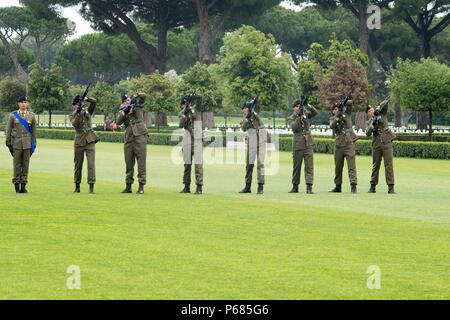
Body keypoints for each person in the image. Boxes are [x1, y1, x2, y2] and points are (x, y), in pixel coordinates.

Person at [116, 93, 148, 194]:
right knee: (129, 162)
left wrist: (137, 95)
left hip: (140, 136)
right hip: (129, 137)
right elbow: (118, 122)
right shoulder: (123, 110)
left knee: (141, 162)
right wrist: (124, 112)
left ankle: (141, 185)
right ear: (123, 102)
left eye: (129, 100)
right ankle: (128, 185)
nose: (128, 101)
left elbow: (143, 97)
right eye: (125, 101)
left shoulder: (137, 106)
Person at [5, 96, 37, 193]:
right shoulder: (13, 115)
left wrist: (34, 144)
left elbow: (34, 132)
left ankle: (23, 185)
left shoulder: (31, 116)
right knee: (17, 165)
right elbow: (8, 130)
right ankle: (16, 184)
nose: (23, 104)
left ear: (27, 104)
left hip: (27, 144)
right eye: (22, 102)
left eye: (25, 102)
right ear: (18, 104)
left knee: (25, 165)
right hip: (16, 144)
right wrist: (8, 143)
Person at [70, 94, 100, 194]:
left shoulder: (87, 110)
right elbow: (75, 124)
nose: (78, 106)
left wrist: (87, 98)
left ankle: (91, 186)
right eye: (76, 104)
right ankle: (77, 185)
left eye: (79, 103)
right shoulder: (73, 114)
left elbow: (94, 102)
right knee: (78, 165)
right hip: (79, 141)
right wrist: (78, 113)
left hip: (90, 140)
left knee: (91, 164)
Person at [287, 98, 318, 194]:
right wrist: (299, 116)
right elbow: (294, 128)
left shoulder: (306, 114)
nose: (298, 108)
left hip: (308, 142)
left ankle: (309, 186)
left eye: (299, 106)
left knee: (309, 166)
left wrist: (307, 105)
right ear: (293, 108)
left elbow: (315, 112)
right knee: (297, 166)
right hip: (298, 144)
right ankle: (295, 186)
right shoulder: (291, 118)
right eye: (296, 106)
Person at [365, 100, 396, 194]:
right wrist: (372, 125)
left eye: (372, 110)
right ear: (367, 114)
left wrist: (379, 108)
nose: (371, 111)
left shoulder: (382, 114)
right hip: (376, 144)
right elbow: (367, 133)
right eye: (369, 111)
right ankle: (372, 186)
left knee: (389, 165)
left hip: (386, 142)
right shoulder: (369, 121)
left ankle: (391, 187)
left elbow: (385, 104)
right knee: (375, 165)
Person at [329, 99, 358, 193]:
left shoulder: (347, 114)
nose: (336, 110)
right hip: (338, 145)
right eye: (335, 109)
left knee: (351, 166)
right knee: (338, 167)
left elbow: (350, 104)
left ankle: (353, 185)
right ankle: (338, 186)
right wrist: (338, 115)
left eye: (338, 108)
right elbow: (332, 126)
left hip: (349, 143)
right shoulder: (333, 118)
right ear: (333, 111)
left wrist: (344, 103)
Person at [239, 95, 266, 194]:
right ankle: (247, 186)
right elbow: (243, 128)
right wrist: (247, 117)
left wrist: (256, 100)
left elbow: (258, 106)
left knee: (261, 165)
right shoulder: (244, 118)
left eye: (246, 108)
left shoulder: (255, 114)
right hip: (252, 142)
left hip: (261, 141)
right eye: (244, 109)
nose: (245, 110)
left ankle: (260, 186)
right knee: (249, 165)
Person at [179, 93, 204, 194]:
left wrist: (195, 95)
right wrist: (184, 114)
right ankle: (186, 185)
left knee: (198, 164)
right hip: (187, 138)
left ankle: (199, 186)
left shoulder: (196, 109)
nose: (185, 105)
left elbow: (200, 99)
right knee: (187, 164)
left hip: (197, 138)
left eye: (186, 103)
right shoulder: (182, 113)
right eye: (183, 104)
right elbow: (180, 125)